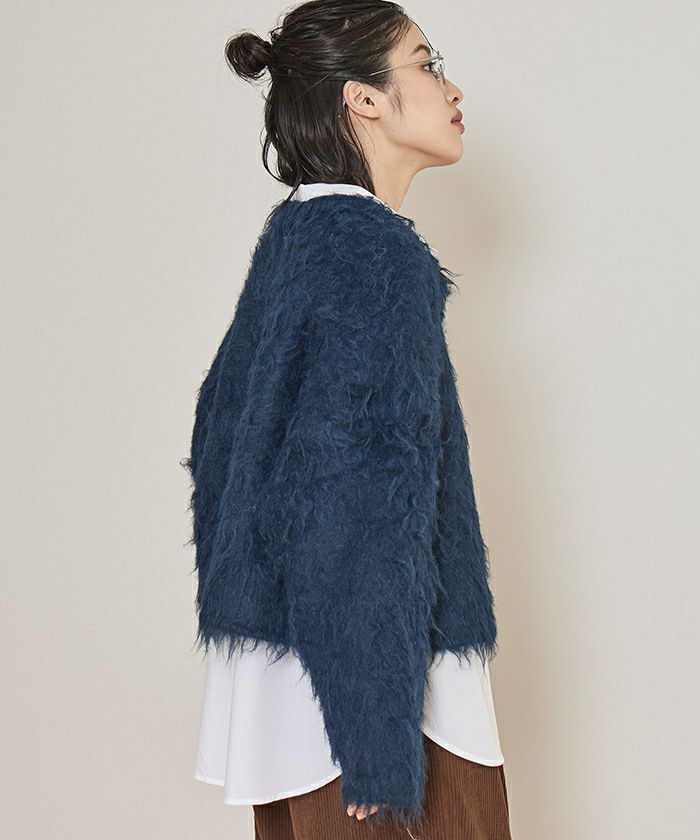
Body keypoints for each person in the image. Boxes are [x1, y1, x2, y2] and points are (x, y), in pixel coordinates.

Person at [183, 2, 512, 838]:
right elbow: (358, 492)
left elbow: (219, 445)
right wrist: (373, 736)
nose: (452, 89)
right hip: (382, 707)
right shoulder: (374, 255)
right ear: (362, 99)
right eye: (427, 65)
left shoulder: (297, 238)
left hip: (291, 690)